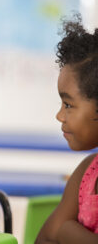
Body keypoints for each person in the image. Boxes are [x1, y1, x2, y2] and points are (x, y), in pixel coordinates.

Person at [35, 14, 98, 243]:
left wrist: (67, 232)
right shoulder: (86, 173)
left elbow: (57, 232)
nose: (59, 115)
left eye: (69, 104)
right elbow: (43, 239)